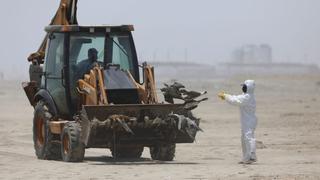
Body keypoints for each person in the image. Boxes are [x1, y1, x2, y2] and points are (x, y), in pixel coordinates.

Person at [218, 80, 257, 164]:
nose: (242, 88)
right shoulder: (246, 96)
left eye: (244, 86)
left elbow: (235, 101)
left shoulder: (248, 97)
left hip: (249, 120)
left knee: (248, 137)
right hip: (247, 120)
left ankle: (252, 156)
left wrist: (225, 96)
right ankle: (247, 158)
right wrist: (226, 96)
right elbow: (236, 97)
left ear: (248, 87)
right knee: (244, 138)